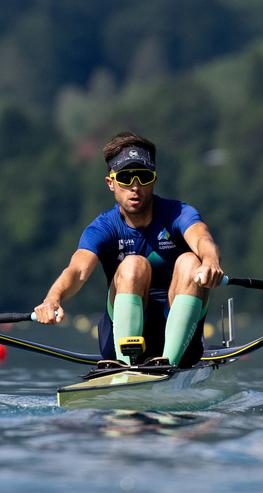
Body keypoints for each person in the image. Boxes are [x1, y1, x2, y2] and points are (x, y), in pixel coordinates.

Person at [34, 132, 224, 367]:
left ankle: (168, 363)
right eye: (126, 178)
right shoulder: (103, 227)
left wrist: (211, 262)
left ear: (154, 179)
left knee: (190, 261)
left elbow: (202, 239)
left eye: (143, 177)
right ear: (111, 183)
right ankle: (126, 366)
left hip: (182, 346)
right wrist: (53, 299)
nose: (135, 187)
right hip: (118, 348)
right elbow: (77, 271)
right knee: (134, 264)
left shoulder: (178, 213)